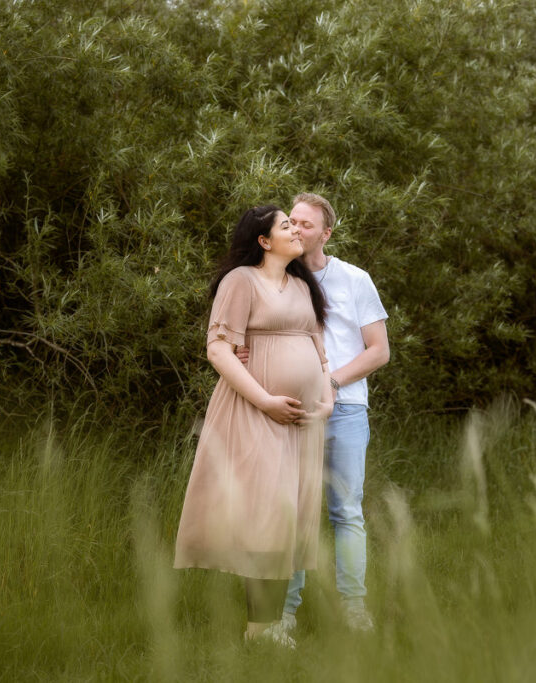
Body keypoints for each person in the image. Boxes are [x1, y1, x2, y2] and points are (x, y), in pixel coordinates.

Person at [174, 205, 334, 648]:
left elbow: (319, 350)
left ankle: (270, 628)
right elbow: (219, 350)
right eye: (286, 226)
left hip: (302, 422)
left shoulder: (302, 285)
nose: (296, 230)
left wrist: (327, 399)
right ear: (264, 241)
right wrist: (265, 400)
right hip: (255, 411)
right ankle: (259, 631)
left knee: (288, 519)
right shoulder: (240, 282)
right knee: (267, 514)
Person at [241, 193, 389, 633]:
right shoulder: (273, 279)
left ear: (326, 234)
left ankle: (353, 607)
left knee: (346, 510)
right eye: (292, 222)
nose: (297, 230)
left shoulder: (354, 279)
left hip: (344, 410)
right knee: (293, 512)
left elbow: (379, 351)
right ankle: (284, 613)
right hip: (291, 413)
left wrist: (332, 381)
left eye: (307, 225)